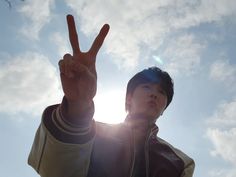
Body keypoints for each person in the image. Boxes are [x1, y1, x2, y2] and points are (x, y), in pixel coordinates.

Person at [28, 14, 195, 177]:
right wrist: (78, 104)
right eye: (146, 87)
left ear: (164, 107)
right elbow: (56, 171)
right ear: (128, 99)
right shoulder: (91, 134)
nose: (154, 94)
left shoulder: (180, 162)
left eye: (161, 92)